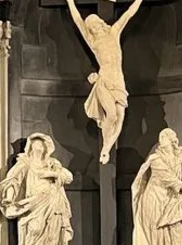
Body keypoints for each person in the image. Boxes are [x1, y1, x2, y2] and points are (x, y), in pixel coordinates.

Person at [64, 0, 145, 164]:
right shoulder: (93, 42)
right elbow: (78, 20)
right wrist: (70, 1)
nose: (93, 29)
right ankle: (106, 149)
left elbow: (128, 13)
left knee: (120, 116)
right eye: (91, 28)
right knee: (112, 115)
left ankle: (107, 147)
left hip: (118, 79)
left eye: (94, 25)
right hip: (105, 79)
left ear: (100, 23)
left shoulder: (114, 32)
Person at [0, 134, 75, 245]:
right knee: (34, 232)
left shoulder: (53, 164)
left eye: (42, 145)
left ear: (47, 147)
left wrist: (51, 173)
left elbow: (69, 177)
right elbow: (13, 180)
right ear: (30, 148)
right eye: (35, 145)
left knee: (51, 237)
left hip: (53, 204)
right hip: (33, 206)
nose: (39, 148)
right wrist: (9, 195)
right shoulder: (25, 163)